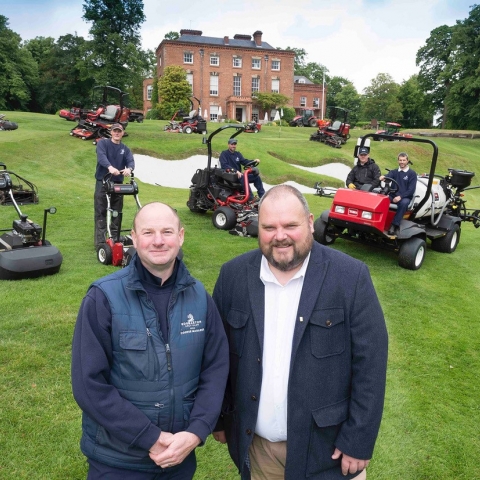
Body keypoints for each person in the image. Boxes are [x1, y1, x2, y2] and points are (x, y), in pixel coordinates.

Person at [212, 185, 388, 480]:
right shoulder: (233, 276)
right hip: (260, 451)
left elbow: (371, 363)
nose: (279, 236)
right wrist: (219, 418)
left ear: (309, 223)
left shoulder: (350, 277)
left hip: (327, 451)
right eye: (269, 227)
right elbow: (216, 355)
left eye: (290, 225)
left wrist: (359, 440)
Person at [72, 202, 229, 479]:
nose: (158, 241)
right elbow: (88, 385)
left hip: (179, 460)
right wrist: (150, 437)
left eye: (167, 232)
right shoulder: (102, 298)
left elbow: (215, 370)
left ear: (180, 236)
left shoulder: (200, 298)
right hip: (117, 462)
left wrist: (196, 431)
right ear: (133, 237)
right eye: (148, 232)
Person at [94, 123, 135, 248]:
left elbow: (131, 161)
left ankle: (115, 240)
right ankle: (100, 243)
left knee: (117, 212)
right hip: (103, 182)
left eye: (119, 131)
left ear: (122, 133)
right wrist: (110, 167)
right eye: (115, 131)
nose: (117, 133)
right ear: (111, 132)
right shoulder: (103, 144)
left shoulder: (125, 149)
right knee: (101, 212)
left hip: (118, 184)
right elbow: (101, 158)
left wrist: (129, 169)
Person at [380, 152, 417, 236]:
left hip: (405, 197)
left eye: (404, 160)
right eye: (400, 160)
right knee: (382, 199)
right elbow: (388, 177)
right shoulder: (395, 172)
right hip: (393, 194)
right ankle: (380, 221)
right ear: (398, 161)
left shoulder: (412, 174)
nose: (402, 162)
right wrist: (383, 177)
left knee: (403, 204)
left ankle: (394, 225)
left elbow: (411, 190)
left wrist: (401, 197)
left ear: (407, 161)